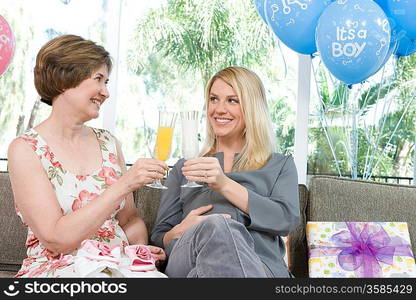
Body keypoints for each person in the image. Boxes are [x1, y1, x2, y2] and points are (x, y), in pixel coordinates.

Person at [7, 34, 168, 278]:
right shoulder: (26, 149)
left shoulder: (109, 143)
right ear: (64, 80)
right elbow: (56, 239)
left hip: (119, 264)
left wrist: (140, 253)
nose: (105, 92)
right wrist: (124, 185)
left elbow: (129, 219)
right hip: (60, 268)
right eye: (98, 80)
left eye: (106, 82)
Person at [151, 66, 300, 277]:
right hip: (189, 258)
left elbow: (286, 220)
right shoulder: (185, 166)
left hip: (259, 265)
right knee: (217, 225)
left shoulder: (279, 164)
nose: (219, 109)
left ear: (251, 108)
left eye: (232, 100)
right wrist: (181, 230)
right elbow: (158, 237)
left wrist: (224, 184)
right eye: (214, 99)